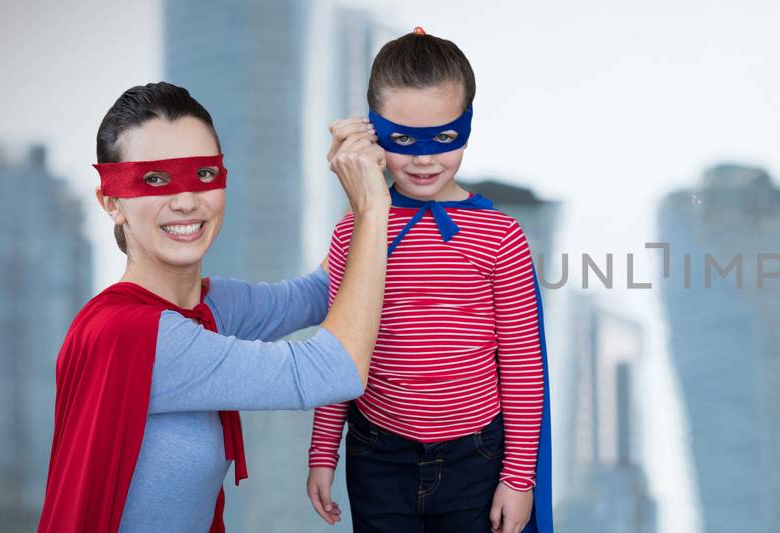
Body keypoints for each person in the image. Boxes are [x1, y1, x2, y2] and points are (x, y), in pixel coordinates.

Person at [38, 81, 392, 533]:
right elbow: (333, 370)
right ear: (112, 202)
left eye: (203, 175)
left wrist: (361, 184)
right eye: (154, 180)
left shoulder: (209, 307)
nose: (186, 201)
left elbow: (322, 291)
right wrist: (372, 207)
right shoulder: (133, 334)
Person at [303, 27, 554, 533]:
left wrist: (519, 477)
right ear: (371, 132)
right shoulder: (355, 230)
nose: (423, 158)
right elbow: (339, 351)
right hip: (378, 454)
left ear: (467, 127)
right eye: (402, 139)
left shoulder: (500, 235)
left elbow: (524, 365)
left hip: (476, 457)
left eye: (442, 138)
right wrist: (323, 451)